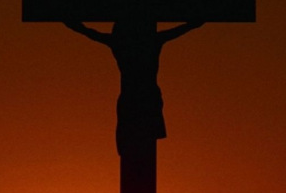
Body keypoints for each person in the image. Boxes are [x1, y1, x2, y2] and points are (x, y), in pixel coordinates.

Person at [64, 20, 203, 155]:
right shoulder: (150, 41)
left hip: (136, 97)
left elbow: (90, 33)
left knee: (137, 140)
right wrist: (193, 24)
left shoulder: (121, 43)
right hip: (145, 96)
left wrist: (74, 25)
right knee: (137, 140)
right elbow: (178, 31)